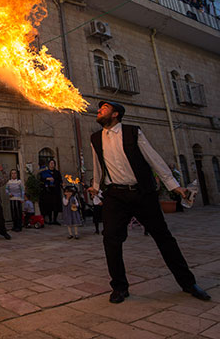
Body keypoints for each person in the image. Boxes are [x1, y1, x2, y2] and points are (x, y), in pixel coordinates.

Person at [88, 100, 211, 303]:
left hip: (142, 193)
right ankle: (119, 287)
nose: (99, 110)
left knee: (164, 238)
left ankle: (188, 283)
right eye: (100, 108)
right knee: (110, 240)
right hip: (115, 195)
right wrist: (96, 186)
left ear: (116, 114)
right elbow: (98, 166)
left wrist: (174, 186)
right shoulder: (95, 138)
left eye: (105, 108)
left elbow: (154, 159)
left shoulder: (133, 132)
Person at [39, 159, 62, 225]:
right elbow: (41, 179)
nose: (52, 164)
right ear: (48, 164)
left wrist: (57, 182)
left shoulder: (57, 172)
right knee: (49, 205)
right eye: (51, 163)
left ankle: (55, 219)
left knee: (56, 205)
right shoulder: (45, 172)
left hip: (56, 191)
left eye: (53, 163)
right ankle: (50, 219)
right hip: (48, 191)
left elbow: (60, 180)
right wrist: (47, 179)